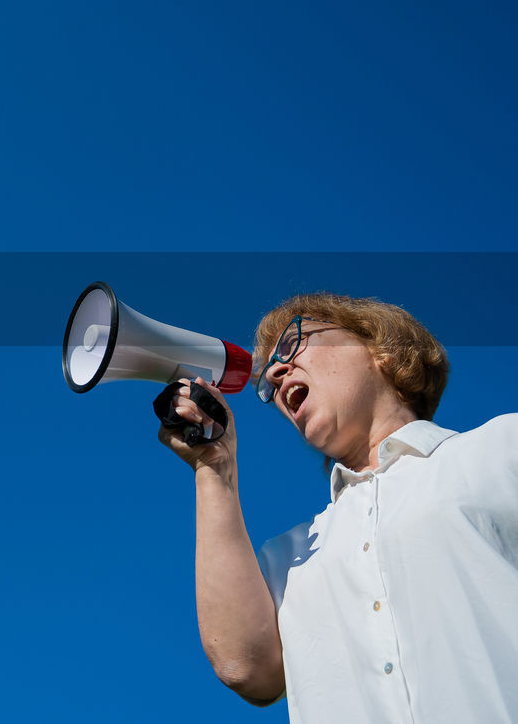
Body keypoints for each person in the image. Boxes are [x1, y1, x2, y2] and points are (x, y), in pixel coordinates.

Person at [158, 292, 518, 723]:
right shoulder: (287, 557)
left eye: (294, 343)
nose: (274, 373)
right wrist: (213, 469)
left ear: (380, 351)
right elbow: (246, 668)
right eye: (268, 384)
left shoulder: (499, 448)